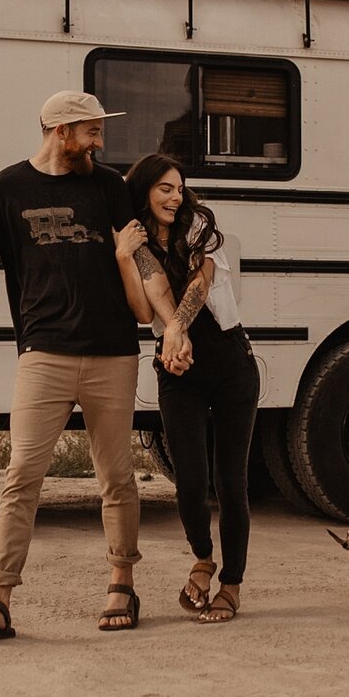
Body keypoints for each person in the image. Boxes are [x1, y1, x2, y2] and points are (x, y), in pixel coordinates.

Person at [0, 93, 189, 645]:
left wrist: (170, 324)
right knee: (22, 477)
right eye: (90, 132)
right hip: (43, 353)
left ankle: (122, 583)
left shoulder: (110, 189)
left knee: (116, 477)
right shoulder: (4, 190)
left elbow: (142, 261)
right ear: (59, 131)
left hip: (113, 352)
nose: (99, 143)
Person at [121, 154, 257, 623]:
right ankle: (202, 558)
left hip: (229, 363)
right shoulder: (135, 240)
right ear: (144, 191)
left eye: (179, 188)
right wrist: (123, 255)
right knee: (190, 480)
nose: (176, 197)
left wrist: (176, 329)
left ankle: (232, 585)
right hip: (177, 370)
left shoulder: (199, 225)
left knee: (230, 481)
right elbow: (143, 309)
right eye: (165, 188)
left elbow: (201, 282)